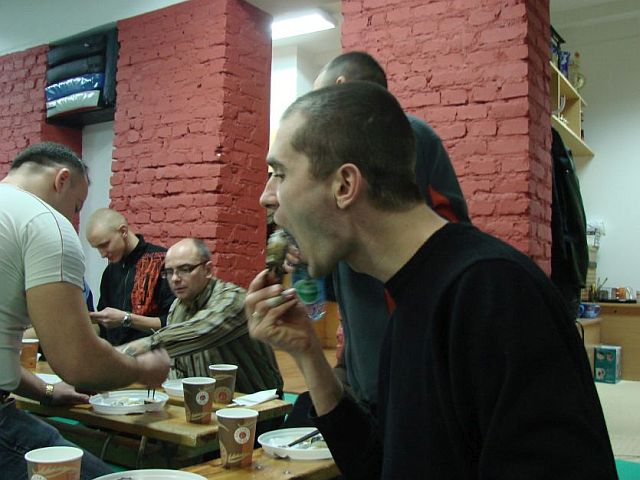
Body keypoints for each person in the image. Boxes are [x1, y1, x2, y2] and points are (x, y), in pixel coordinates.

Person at [245, 83, 617, 478]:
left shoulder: (494, 293)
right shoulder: (407, 302)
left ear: (344, 185)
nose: (267, 196)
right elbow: (383, 467)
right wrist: (308, 355)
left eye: (280, 174)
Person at [0, 142, 170, 480]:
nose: (71, 218)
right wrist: (143, 369)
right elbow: (78, 363)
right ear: (62, 179)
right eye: (76, 207)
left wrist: (46, 391)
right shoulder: (44, 221)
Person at [314, 51, 470, 411]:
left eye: (317, 97)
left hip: (407, 365)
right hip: (371, 362)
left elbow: (442, 236)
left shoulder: (404, 135)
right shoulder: (348, 150)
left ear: (340, 87)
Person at [118, 238, 283, 396]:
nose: (175, 278)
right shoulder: (177, 307)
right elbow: (176, 365)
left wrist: (130, 351)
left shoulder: (233, 299)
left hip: (258, 404)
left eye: (185, 269)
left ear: (208, 270)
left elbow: (200, 331)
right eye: (169, 272)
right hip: (205, 401)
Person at [86, 208, 175, 346]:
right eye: (97, 248)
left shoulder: (163, 262)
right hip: (115, 355)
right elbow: (103, 329)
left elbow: (174, 323)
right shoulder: (110, 271)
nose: (102, 254)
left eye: (105, 245)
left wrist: (126, 319)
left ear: (123, 231)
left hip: (155, 355)